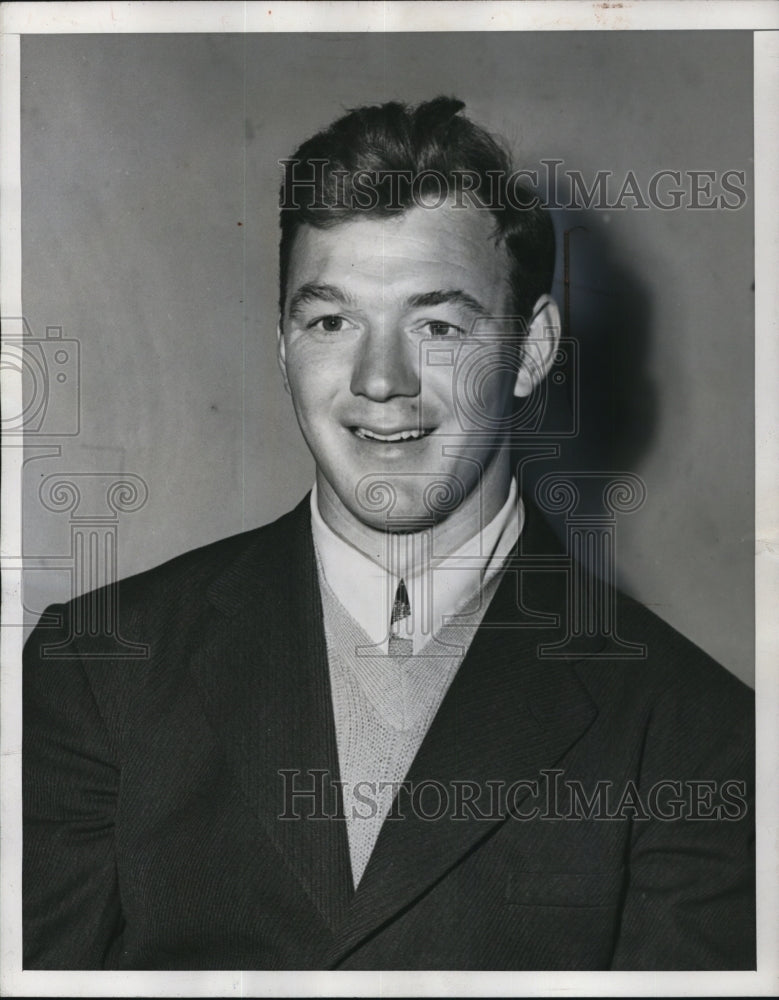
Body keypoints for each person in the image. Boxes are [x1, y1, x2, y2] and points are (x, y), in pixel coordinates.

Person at [23, 97, 754, 970]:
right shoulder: (96, 672)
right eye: (331, 322)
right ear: (283, 345)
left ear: (531, 349)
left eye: (437, 326)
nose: (380, 380)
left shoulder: (700, 734)